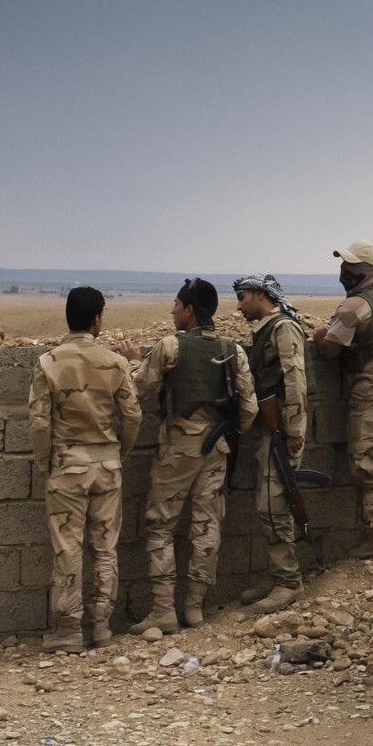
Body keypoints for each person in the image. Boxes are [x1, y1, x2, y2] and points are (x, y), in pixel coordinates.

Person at [121, 277, 256, 632]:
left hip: (178, 449)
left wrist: (135, 361)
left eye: (177, 305)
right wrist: (227, 431)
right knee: (207, 524)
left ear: (190, 310)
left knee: (160, 525)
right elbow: (249, 408)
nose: (172, 310)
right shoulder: (233, 350)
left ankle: (164, 610)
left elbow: (140, 388)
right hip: (216, 448)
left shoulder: (170, 346)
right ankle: (195, 608)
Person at [28, 286, 141, 654]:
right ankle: (101, 626)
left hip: (67, 467)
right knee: (105, 548)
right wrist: (118, 450)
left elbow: (40, 424)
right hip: (107, 466)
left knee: (68, 549)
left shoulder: (49, 362)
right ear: (97, 320)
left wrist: (45, 463)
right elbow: (133, 416)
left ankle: (68, 629)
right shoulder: (116, 363)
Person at [312, 240, 373, 559]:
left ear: (366, 271)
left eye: (350, 267)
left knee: (370, 467)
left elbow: (329, 349)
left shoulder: (353, 306)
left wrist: (319, 336)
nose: (344, 272)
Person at [232, 273, 309, 612]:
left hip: (282, 431)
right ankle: (277, 575)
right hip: (270, 427)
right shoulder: (267, 328)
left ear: (261, 295)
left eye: (243, 298)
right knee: (266, 506)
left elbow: (295, 380)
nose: (239, 305)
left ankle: (290, 583)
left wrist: (292, 430)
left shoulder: (283, 328)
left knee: (276, 506)